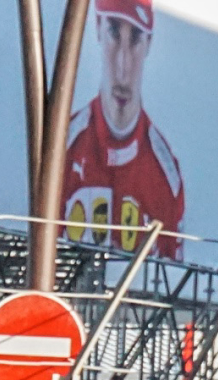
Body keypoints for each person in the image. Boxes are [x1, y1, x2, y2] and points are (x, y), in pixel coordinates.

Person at [62, 0, 185, 260]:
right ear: (97, 27)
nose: (123, 65)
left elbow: (172, 286)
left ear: (150, 43)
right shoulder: (63, 148)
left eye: (136, 38)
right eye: (114, 33)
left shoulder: (166, 178)